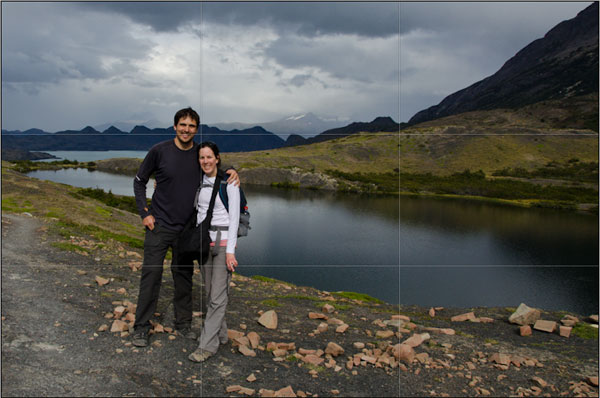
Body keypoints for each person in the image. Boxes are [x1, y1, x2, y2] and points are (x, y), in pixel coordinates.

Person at [131, 107, 239, 347]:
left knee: (183, 277)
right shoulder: (159, 152)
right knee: (151, 275)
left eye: (191, 126)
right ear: (175, 127)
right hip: (158, 226)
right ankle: (140, 327)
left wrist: (233, 172)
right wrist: (144, 213)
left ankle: (183, 324)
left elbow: (214, 168)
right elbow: (139, 182)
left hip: (186, 230)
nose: (186, 129)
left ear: (196, 130)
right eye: (183, 125)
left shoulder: (198, 155)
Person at [188, 141, 240, 363]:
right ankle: (221, 333)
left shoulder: (230, 184)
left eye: (209, 157)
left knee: (218, 297)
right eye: (202, 158)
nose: (206, 161)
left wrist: (230, 252)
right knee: (211, 293)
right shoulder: (198, 183)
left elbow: (235, 218)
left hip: (223, 243)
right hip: (204, 243)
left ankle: (207, 346)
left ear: (217, 158)